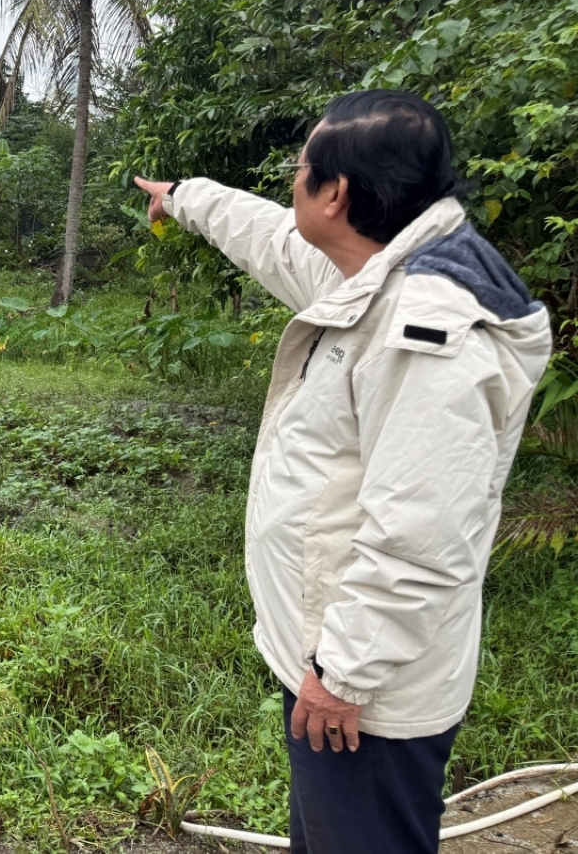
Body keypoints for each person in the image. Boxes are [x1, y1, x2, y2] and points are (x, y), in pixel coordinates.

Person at [134, 90, 551, 854]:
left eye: (300, 169)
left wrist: (343, 673)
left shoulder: (428, 329)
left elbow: (423, 531)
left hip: (366, 696)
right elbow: (270, 238)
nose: (291, 183)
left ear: (337, 194)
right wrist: (186, 199)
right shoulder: (375, 270)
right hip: (340, 665)